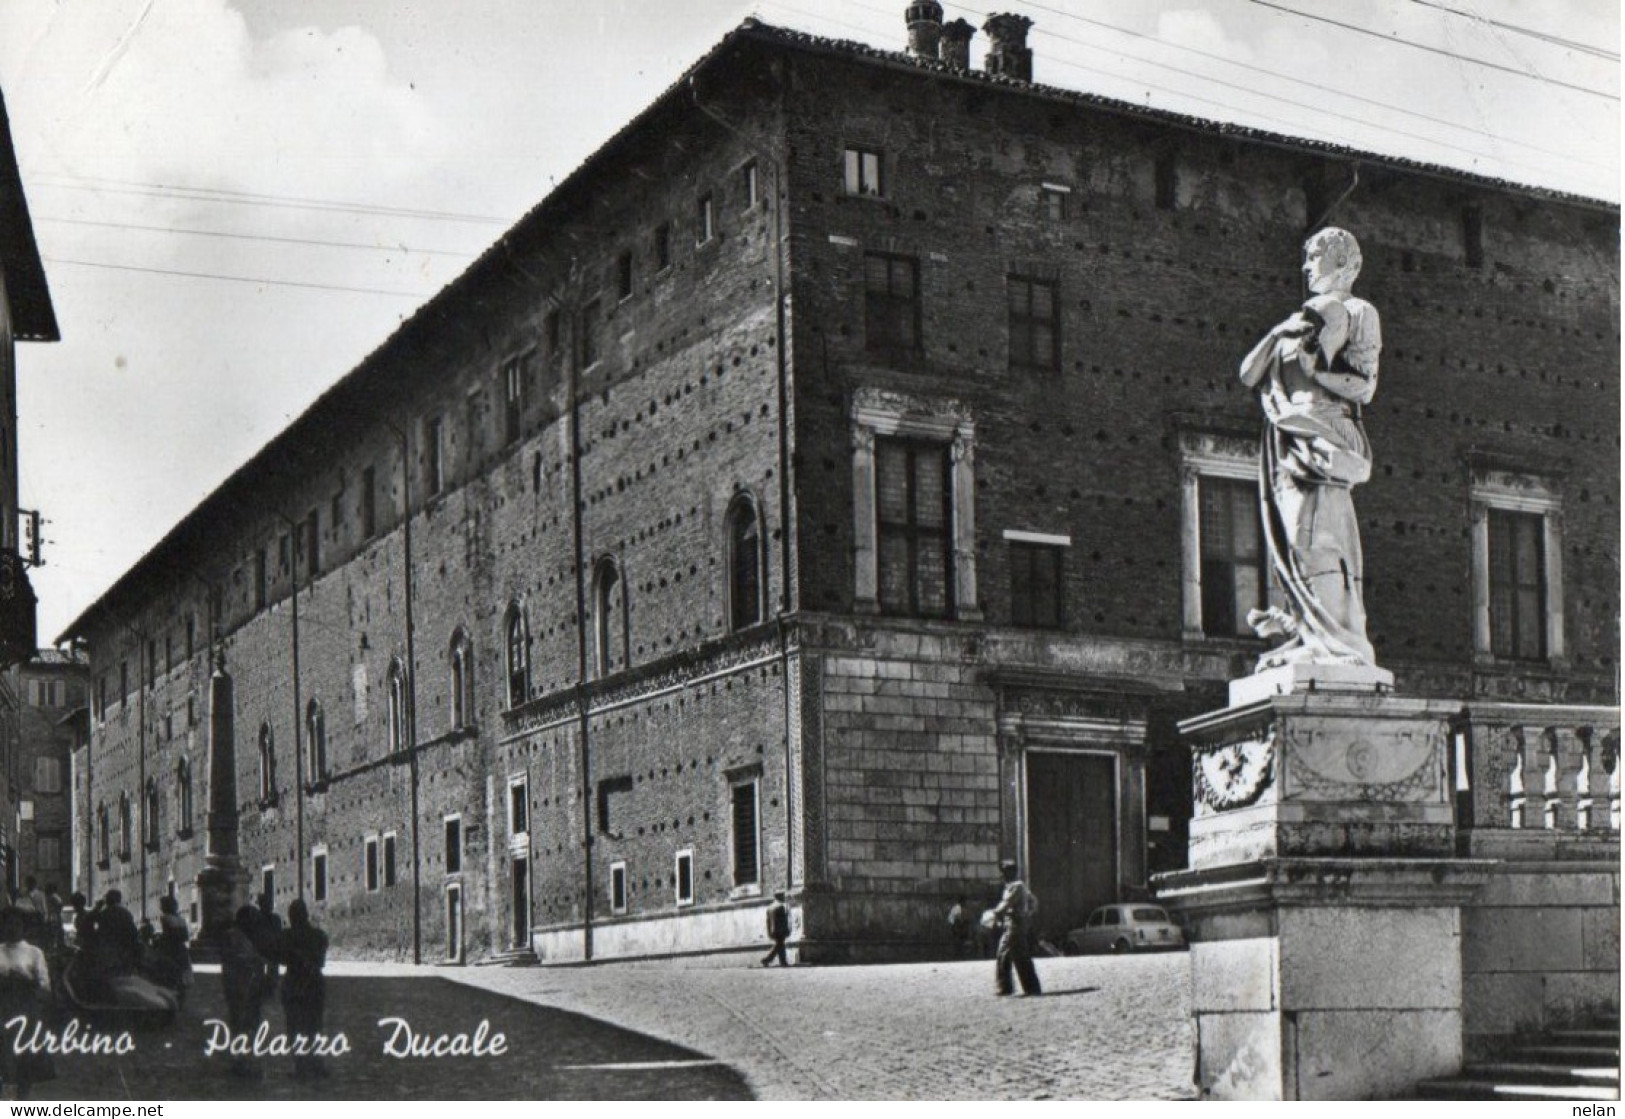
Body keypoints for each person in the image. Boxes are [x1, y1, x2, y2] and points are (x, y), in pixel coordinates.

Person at [1238, 226, 1382, 671]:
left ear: (1342, 261)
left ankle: (1337, 640)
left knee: (1317, 534)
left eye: (1313, 257)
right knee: (1292, 542)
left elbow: (1365, 387)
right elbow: (1248, 373)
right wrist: (1279, 331)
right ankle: (1310, 635)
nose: (1305, 267)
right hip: (1286, 435)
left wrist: (1315, 371)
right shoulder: (1296, 320)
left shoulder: (1359, 311)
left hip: (1326, 433)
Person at [0, 908, 54, 1099]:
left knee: (25, 1065)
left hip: (26, 1014)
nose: (12, 928)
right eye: (8, 923)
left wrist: (25, 978)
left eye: (17, 924)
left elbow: (45, 986)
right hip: (2, 1013)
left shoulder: (34, 953)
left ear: (24, 927)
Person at [278, 900, 330, 1079]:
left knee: (295, 1027)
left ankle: (301, 1067)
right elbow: (321, 962)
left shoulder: (287, 936)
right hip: (315, 984)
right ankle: (317, 1065)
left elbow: (280, 958)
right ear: (306, 915)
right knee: (314, 1026)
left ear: (292, 917)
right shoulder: (320, 936)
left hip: (293, 984)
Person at [221, 906, 267, 1081]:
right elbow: (234, 958)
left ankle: (242, 1063)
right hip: (239, 989)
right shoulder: (233, 937)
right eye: (253, 920)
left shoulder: (243, 937)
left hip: (246, 988)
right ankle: (242, 1065)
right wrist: (255, 959)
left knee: (246, 1026)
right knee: (243, 1026)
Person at [992, 860, 1040, 997]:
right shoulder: (1018, 886)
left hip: (1014, 926)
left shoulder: (1016, 887)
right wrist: (1028, 915)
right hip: (1014, 926)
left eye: (1005, 871)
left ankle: (1008, 987)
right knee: (1012, 956)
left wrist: (994, 913)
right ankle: (1028, 987)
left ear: (1011, 872)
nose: (1003, 874)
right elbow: (1034, 902)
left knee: (1008, 956)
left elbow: (1006, 904)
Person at [151, 896, 193, 1007]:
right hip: (181, 949)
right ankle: (181, 998)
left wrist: (158, 940)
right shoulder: (181, 919)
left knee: (167, 971)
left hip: (169, 949)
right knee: (181, 973)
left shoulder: (165, 918)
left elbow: (167, 935)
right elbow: (185, 936)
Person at [255, 892, 283, 998]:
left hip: (270, 949)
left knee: (271, 971)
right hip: (263, 949)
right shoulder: (259, 918)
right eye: (267, 904)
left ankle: (269, 990)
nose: (269, 906)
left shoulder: (274, 919)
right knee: (261, 971)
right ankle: (265, 990)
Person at [761, 891, 790, 967]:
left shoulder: (770, 907)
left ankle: (783, 961)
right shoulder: (781, 906)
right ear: (780, 897)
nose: (783, 898)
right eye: (782, 896)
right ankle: (767, 959)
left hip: (773, 930)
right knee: (779, 945)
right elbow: (783, 920)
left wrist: (769, 931)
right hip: (780, 930)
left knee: (780, 945)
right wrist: (786, 929)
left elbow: (768, 921)